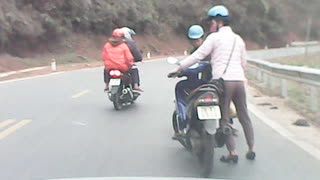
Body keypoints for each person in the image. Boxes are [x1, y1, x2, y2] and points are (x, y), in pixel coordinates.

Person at [168, 5, 255, 162]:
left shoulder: (214, 38)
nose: (210, 26)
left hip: (222, 82)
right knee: (244, 115)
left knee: (224, 116)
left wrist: (179, 68)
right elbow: (244, 62)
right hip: (239, 81)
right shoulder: (238, 39)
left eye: (211, 23)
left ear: (217, 22)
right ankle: (251, 148)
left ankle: (233, 152)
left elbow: (198, 56)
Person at [121, 27, 143, 92]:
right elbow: (136, 53)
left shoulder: (113, 43)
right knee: (134, 69)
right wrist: (139, 58)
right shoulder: (130, 43)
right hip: (126, 65)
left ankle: (107, 85)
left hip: (113, 64)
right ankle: (135, 85)